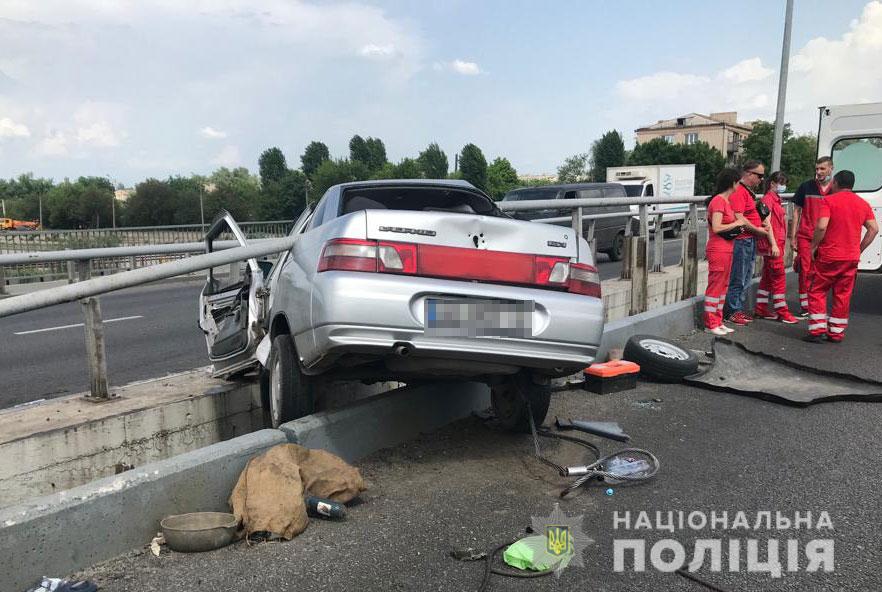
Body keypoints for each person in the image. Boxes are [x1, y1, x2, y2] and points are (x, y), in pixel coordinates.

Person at [804, 170, 878, 343]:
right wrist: (859, 250)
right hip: (851, 258)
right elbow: (874, 229)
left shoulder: (828, 201)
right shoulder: (862, 204)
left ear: (835, 183)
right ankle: (836, 333)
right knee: (843, 294)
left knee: (817, 290)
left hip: (829, 256)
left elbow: (822, 227)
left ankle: (817, 330)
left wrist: (813, 246)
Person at [724, 160, 775, 326]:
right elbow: (739, 217)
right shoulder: (739, 191)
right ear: (748, 173)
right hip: (742, 240)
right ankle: (732, 311)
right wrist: (759, 230)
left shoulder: (746, 192)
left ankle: (737, 309)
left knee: (745, 277)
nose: (761, 179)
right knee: (739, 277)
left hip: (748, 239)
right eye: (759, 175)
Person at [790, 156, 835, 316]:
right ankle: (805, 306)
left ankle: (817, 304)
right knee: (805, 271)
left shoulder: (835, 189)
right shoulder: (806, 186)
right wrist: (793, 236)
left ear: (831, 168)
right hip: (806, 236)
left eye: (822, 169)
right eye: (817, 169)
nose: (819, 172)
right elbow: (796, 211)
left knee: (823, 272)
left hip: (826, 238)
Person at [704, 168, 745, 335]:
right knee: (715, 287)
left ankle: (718, 320)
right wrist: (737, 224)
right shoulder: (719, 201)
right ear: (733, 183)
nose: (739, 186)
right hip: (718, 248)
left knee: (723, 286)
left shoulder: (726, 202)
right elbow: (717, 226)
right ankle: (710, 323)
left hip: (727, 248)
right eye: (738, 182)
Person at [754, 171, 798, 323]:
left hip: (775, 244)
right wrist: (773, 244)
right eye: (781, 183)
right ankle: (782, 312)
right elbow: (767, 224)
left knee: (767, 277)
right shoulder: (768, 200)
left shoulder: (775, 200)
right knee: (779, 278)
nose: (783, 186)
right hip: (772, 245)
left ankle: (761, 308)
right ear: (772, 184)